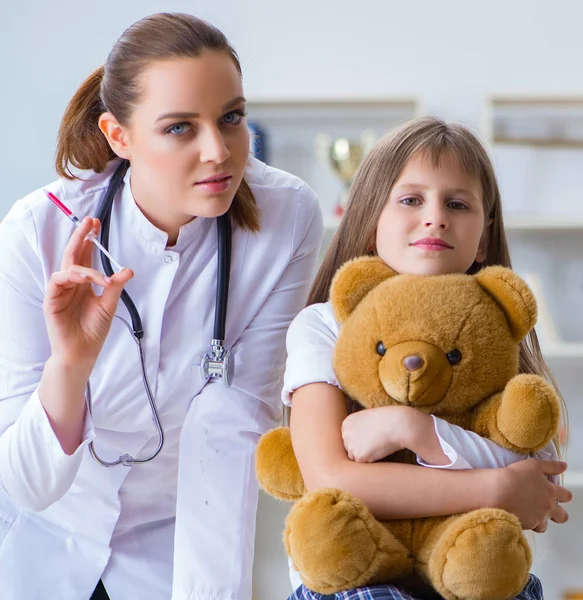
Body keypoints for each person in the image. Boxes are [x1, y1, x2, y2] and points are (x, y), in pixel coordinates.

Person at [0, 12, 323, 600]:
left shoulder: (287, 217)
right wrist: (69, 366)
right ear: (118, 136)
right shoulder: (36, 232)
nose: (218, 152)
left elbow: (236, 425)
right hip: (41, 543)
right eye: (180, 128)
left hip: (178, 549)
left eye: (232, 118)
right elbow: (26, 483)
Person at [282, 117, 572, 600]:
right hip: (358, 583)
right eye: (411, 199)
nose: (436, 216)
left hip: (475, 580)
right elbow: (330, 478)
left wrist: (414, 431)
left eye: (457, 204)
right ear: (370, 220)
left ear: (483, 238)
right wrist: (495, 490)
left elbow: (534, 475)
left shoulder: (496, 326)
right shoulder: (324, 325)